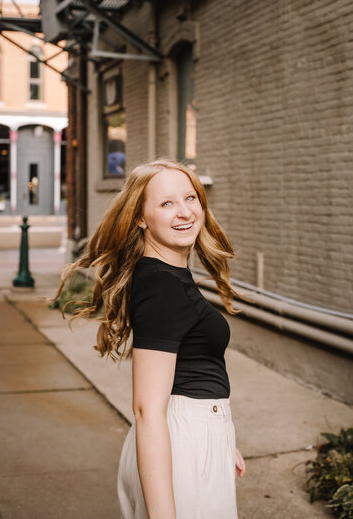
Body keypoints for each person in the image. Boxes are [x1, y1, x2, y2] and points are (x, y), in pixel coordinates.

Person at [57, 158, 245, 518]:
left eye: (190, 198)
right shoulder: (163, 288)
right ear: (141, 217)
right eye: (167, 203)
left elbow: (188, 367)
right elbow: (147, 410)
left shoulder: (164, 272)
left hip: (190, 438)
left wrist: (219, 437)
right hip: (179, 447)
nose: (185, 212)